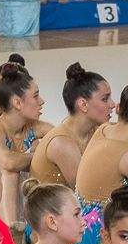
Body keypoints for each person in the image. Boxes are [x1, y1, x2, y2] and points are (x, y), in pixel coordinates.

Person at [73, 72, 128, 244]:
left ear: (119, 108)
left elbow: (115, 158)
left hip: (77, 223)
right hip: (98, 238)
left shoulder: (103, 130)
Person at [0, 63, 48, 228]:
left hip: (2, 200)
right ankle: (12, 236)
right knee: (10, 171)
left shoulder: (34, 127)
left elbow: (61, 138)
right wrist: (37, 154)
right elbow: (8, 162)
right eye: (36, 96)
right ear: (17, 103)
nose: (42, 101)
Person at [30, 63, 110, 195]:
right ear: (83, 104)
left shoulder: (95, 130)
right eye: (105, 99)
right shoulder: (61, 143)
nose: (112, 104)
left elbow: (126, 155)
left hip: (72, 209)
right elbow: (87, 195)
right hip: (53, 213)